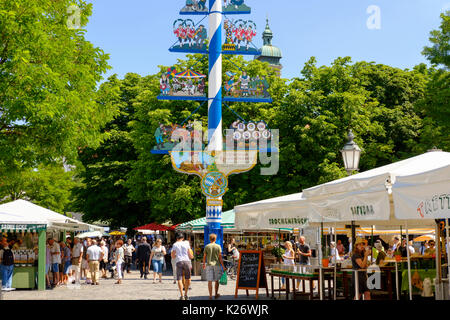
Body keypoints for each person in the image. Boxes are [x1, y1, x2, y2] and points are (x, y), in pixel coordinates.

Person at [203, 233, 226, 300]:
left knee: (209, 281)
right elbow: (220, 258)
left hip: (209, 265)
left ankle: (210, 296)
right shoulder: (218, 246)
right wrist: (223, 266)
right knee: (216, 280)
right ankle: (216, 294)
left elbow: (204, 257)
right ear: (215, 239)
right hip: (217, 265)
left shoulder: (207, 246)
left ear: (210, 239)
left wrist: (204, 264)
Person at [171, 233, 193, 300]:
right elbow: (190, 254)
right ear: (183, 238)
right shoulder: (186, 243)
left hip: (179, 261)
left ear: (177, 238)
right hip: (187, 261)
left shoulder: (175, 244)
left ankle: (181, 295)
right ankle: (186, 294)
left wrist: (176, 256)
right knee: (188, 278)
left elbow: (173, 255)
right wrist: (191, 257)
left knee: (179, 279)